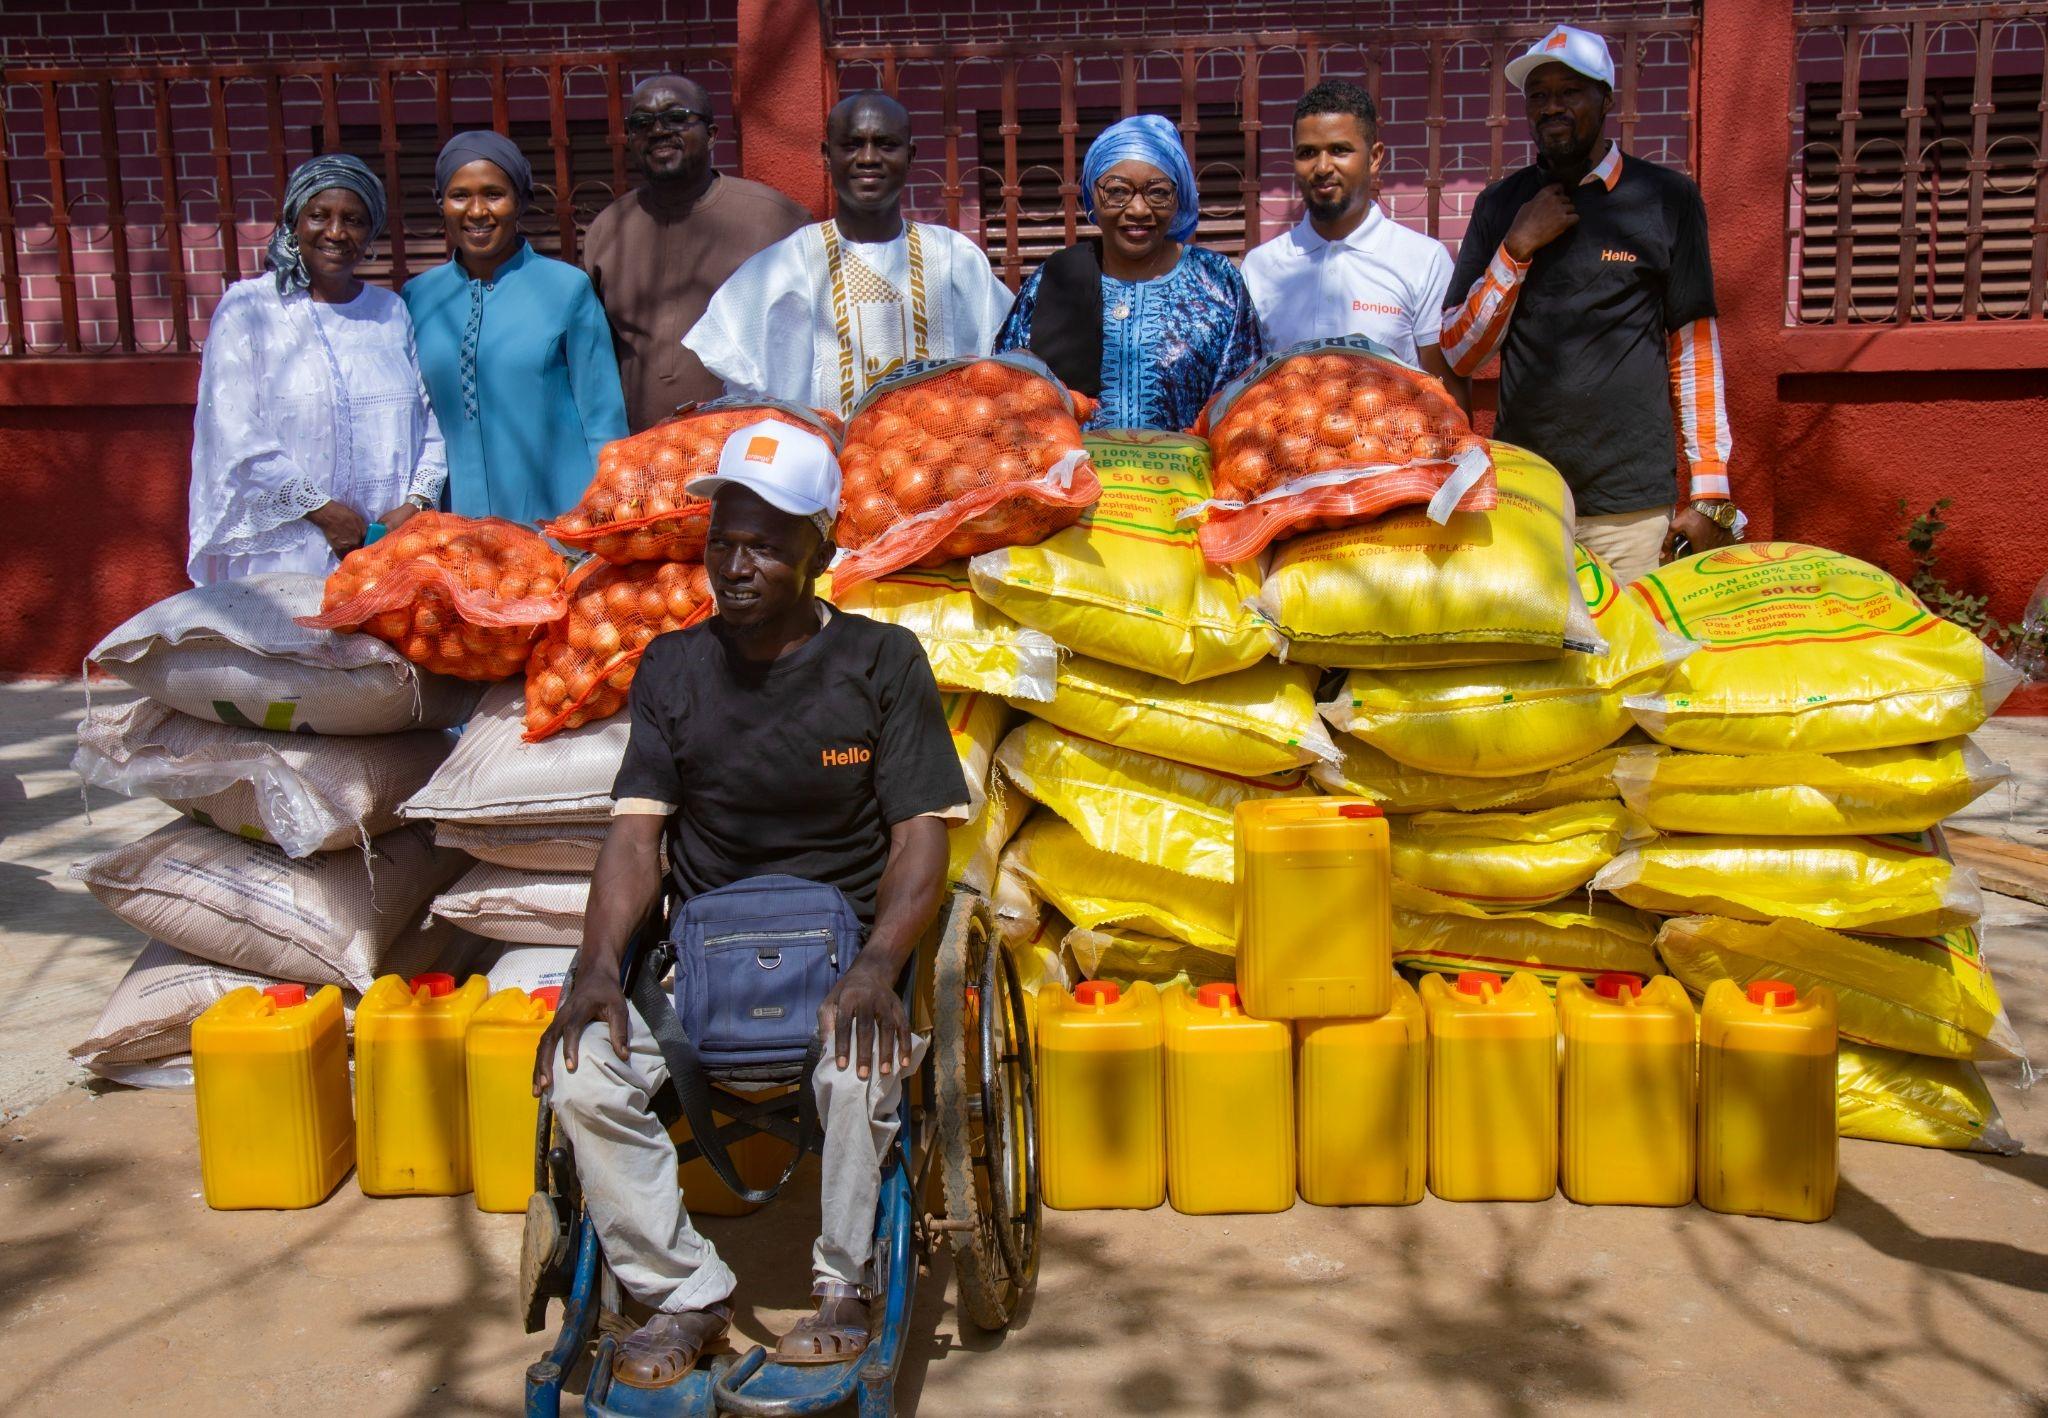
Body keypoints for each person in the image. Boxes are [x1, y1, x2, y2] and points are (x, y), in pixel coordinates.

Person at [533, 419, 969, 1387]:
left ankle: (845, 1286)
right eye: (722, 542)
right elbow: (636, 836)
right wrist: (596, 969)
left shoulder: (881, 660)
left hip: (841, 952)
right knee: (581, 1072)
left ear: (820, 548)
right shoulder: (673, 667)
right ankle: (682, 1293)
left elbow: (919, 835)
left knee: (859, 1064)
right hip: (704, 960)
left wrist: (877, 967)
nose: (734, 566)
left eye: (765, 546)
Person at [1440, 24, 1741, 584]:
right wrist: (1515, 248)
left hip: (1630, 508)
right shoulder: (1501, 206)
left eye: (1570, 91)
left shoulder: (1666, 199)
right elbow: (1460, 352)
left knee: (1633, 641)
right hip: (1526, 496)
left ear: (1606, 100)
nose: (1551, 106)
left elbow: (1694, 349)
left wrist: (1711, 491)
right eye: (1538, 95)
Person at [187, 154, 444, 585]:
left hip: (383, 553)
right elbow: (232, 428)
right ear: (293, 223)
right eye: (319, 216)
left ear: (371, 232)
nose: (336, 232)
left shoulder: (390, 311)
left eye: (354, 220)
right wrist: (321, 512)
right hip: (284, 555)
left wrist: (415, 504)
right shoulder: (249, 308)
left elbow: (428, 420)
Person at [685, 91, 1013, 419]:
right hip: (820, 452)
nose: (868, 158)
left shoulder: (955, 259)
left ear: (910, 156)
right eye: (852, 145)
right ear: (827, 156)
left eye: (886, 144)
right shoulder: (784, 267)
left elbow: (1004, 364)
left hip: (936, 450)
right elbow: (734, 376)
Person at [403, 130, 628, 526]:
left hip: (556, 524)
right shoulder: (418, 298)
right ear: (441, 203)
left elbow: (602, 418)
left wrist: (606, 511)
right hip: (452, 529)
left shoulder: (565, 289)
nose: (477, 211)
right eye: (460, 196)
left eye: (494, 194)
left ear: (521, 200)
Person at [994, 112, 1262, 431]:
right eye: (1117, 191)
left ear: (1178, 199)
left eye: (1158, 192)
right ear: (1092, 196)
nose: (1138, 209)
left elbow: (1246, 408)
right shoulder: (1054, 281)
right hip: (1071, 465)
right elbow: (1005, 394)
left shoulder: (1216, 281)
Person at [583, 74, 810, 431]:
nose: (659, 130)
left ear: (712, 135)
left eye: (676, 118)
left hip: (749, 446)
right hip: (641, 449)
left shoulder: (777, 222)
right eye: (642, 123)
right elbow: (594, 357)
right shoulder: (609, 231)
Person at [1242, 81, 1468, 411]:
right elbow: (1246, 396)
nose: (1322, 167)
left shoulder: (1423, 260)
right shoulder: (1261, 267)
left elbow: (1447, 403)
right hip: (1286, 443)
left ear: (1374, 158)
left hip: (1394, 442)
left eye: (1339, 150)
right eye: (1307, 153)